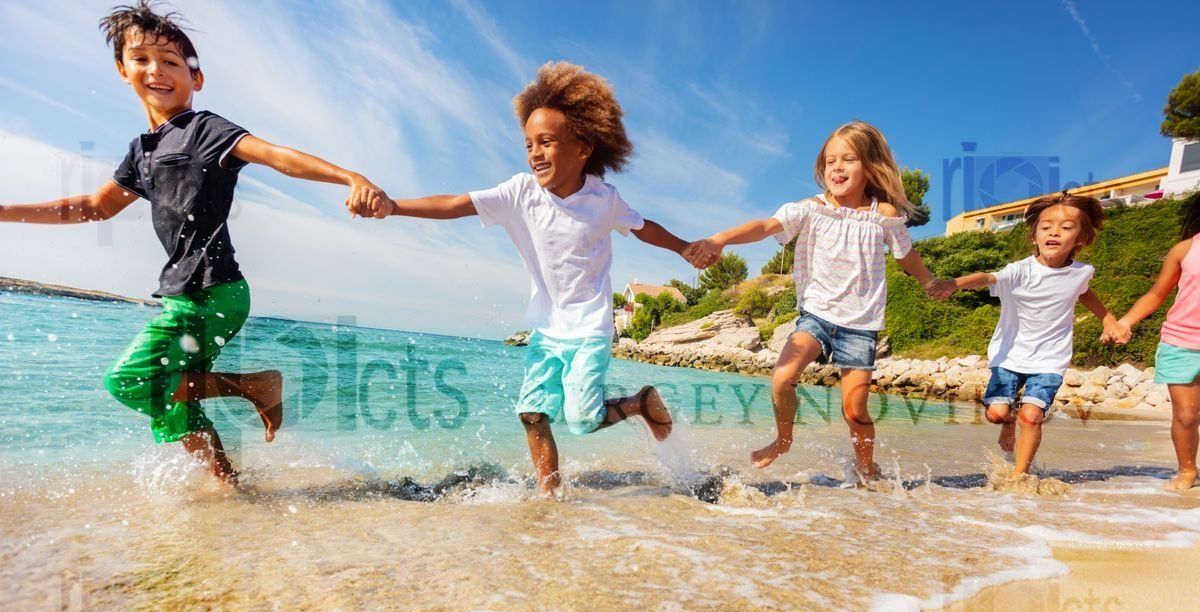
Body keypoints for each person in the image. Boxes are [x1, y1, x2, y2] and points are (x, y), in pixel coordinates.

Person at [0, 1, 388, 484]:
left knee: (130, 381)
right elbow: (95, 207)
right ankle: (230, 490)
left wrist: (349, 176)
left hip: (211, 293)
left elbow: (275, 156)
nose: (156, 71)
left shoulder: (205, 129)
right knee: (173, 408)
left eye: (171, 62)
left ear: (194, 77)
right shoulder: (141, 152)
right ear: (123, 70)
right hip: (188, 294)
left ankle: (256, 386)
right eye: (142, 59)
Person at [373, 62, 695, 496]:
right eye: (528, 144)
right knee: (531, 412)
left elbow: (644, 227)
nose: (535, 153)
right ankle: (549, 494)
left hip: (589, 329)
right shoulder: (519, 193)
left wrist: (683, 247)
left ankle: (639, 403)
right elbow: (454, 203)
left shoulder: (603, 199)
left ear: (582, 146)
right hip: (547, 328)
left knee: (582, 421)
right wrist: (394, 206)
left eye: (546, 142)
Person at [684, 121, 953, 482]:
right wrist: (721, 239)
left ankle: (865, 472)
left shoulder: (882, 215)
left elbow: (905, 255)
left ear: (871, 166)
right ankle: (783, 440)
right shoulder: (810, 208)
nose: (837, 168)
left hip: (861, 325)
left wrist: (928, 281)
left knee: (854, 411)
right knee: (782, 377)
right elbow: (765, 226)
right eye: (830, 161)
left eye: (849, 159)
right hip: (817, 316)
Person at [948, 192, 1120, 478]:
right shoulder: (1019, 271)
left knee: (1032, 416)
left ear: (1080, 239)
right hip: (1009, 355)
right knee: (997, 414)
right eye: (1046, 227)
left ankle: (1020, 476)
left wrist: (1108, 319)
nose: (1054, 231)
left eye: (1066, 227)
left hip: (1051, 359)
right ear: (1034, 236)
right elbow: (988, 278)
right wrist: (953, 284)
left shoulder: (1082, 273)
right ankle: (1008, 420)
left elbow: (1085, 293)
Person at [1104, 194, 1200, 490]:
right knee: (1186, 415)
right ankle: (1187, 471)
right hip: (1182, 341)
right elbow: (1157, 294)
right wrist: (1125, 322)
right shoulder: (1185, 249)